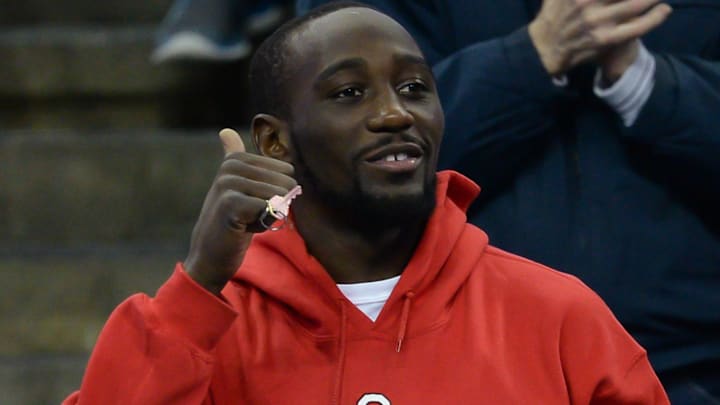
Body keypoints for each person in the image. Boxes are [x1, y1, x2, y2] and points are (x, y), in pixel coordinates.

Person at [64, 2, 670, 403]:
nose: (394, 113)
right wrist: (200, 282)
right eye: (349, 92)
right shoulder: (201, 329)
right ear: (275, 140)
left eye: (414, 88)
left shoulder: (558, 314)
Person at [297, 0, 720, 402]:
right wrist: (536, 55)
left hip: (685, 362)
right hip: (448, 361)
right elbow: (342, 159)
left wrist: (641, 80)